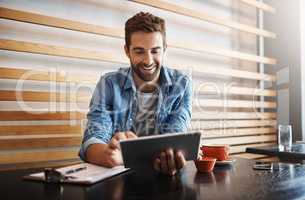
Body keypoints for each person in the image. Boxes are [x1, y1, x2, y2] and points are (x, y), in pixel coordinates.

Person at [79, 12, 192, 176]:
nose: (148, 60)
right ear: (127, 51)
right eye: (139, 51)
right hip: (120, 177)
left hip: (164, 177)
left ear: (165, 49)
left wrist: (172, 156)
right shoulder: (109, 84)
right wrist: (109, 155)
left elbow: (176, 136)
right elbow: (93, 139)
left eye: (155, 51)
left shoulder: (182, 85)